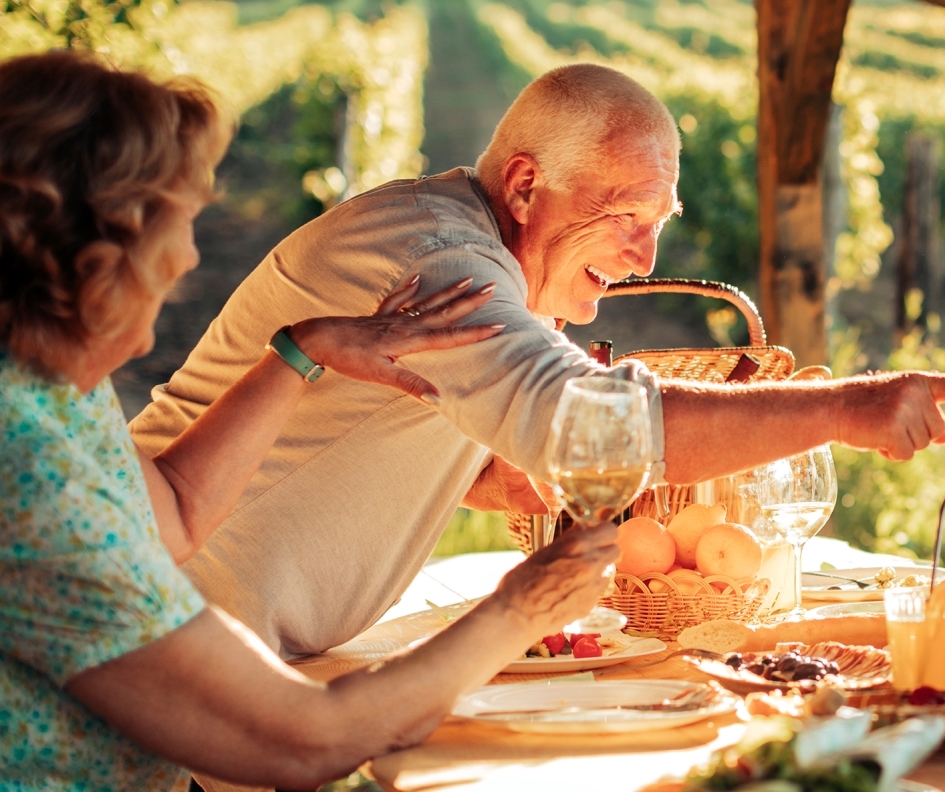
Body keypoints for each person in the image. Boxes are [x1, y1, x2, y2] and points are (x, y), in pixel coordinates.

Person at [129, 63, 945, 659]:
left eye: (662, 220)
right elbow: (591, 424)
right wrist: (849, 411)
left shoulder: (471, 251)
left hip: (203, 630)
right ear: (523, 187)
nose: (646, 257)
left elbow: (369, 417)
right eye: (628, 216)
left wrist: (483, 476)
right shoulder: (444, 264)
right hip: (160, 629)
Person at [0, 51, 622, 791]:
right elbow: (302, 742)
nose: (188, 257)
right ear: (92, 250)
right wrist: (524, 607)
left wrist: (303, 351)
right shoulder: (30, 471)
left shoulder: (44, 382)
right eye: (177, 223)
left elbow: (170, 512)